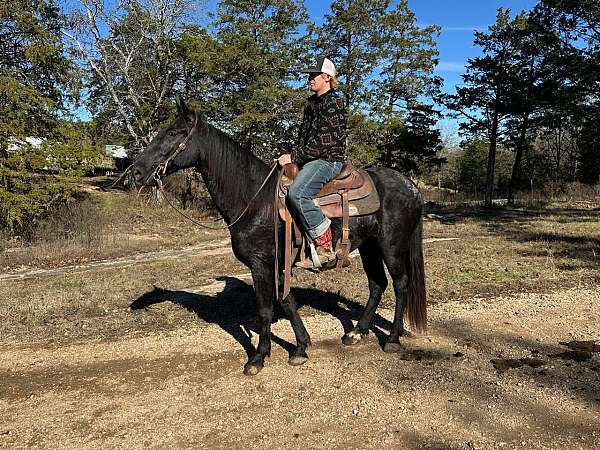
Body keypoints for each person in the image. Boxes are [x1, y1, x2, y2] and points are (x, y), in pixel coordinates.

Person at [278, 56, 347, 268]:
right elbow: (304, 137)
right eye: (309, 75)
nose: (310, 79)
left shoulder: (334, 102)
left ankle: (325, 245)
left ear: (327, 77)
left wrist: (295, 157)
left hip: (328, 160)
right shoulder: (311, 105)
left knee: (298, 193)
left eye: (313, 75)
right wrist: (292, 157)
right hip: (310, 158)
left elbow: (326, 140)